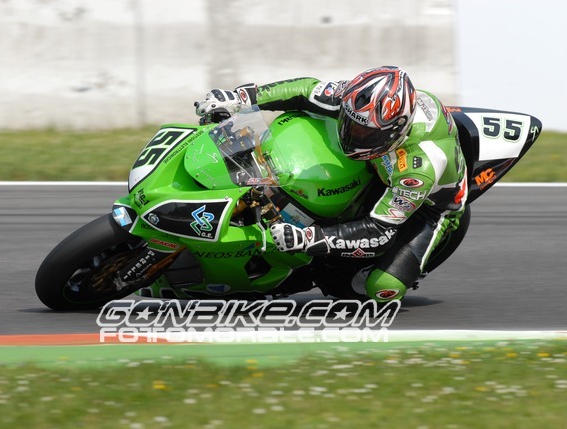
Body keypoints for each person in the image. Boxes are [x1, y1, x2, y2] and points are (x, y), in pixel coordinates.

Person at [194, 66, 467, 302]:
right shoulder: (358, 99)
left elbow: (380, 232)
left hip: (428, 208)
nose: (353, 136)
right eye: (350, 124)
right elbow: (304, 90)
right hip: (381, 167)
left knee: (379, 288)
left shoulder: (419, 169)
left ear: (397, 130)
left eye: (365, 134)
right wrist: (241, 98)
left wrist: (308, 239)